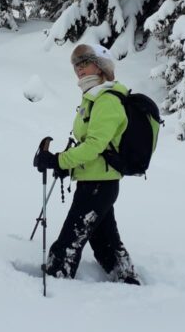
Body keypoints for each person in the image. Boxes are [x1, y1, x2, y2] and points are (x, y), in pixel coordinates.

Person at [35, 43, 140, 285]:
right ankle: (126, 278)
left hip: (98, 185)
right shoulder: (93, 98)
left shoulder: (107, 100)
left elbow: (95, 146)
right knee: (104, 239)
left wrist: (58, 160)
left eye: (85, 63)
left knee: (70, 241)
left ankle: (55, 281)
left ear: (101, 67)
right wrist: (66, 165)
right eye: (76, 65)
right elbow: (92, 147)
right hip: (95, 181)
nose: (80, 69)